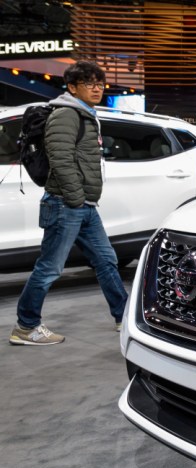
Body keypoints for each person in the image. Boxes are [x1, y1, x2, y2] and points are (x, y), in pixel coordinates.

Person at [10, 60, 128, 345]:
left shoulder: (86, 114)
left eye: (100, 83)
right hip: (66, 203)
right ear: (73, 87)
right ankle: (26, 327)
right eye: (89, 83)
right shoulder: (66, 114)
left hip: (84, 205)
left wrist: (83, 200)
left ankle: (123, 318)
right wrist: (75, 197)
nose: (97, 88)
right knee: (50, 267)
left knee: (106, 261)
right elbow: (60, 159)